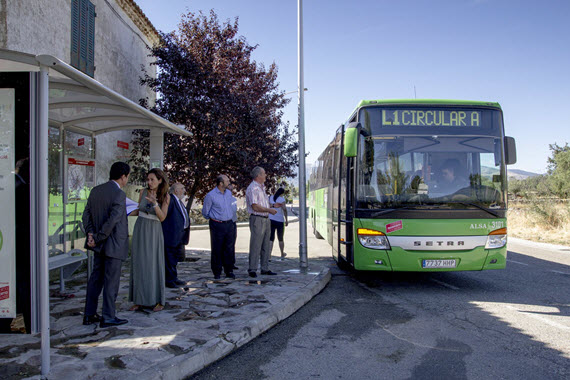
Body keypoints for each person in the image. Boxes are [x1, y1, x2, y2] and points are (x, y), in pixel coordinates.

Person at [82, 161, 130, 328]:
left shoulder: (96, 190)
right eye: (127, 177)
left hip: (97, 244)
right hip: (113, 244)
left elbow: (86, 215)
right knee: (111, 282)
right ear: (123, 176)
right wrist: (99, 236)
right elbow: (113, 220)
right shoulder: (119, 194)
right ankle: (108, 316)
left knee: (95, 279)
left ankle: (89, 314)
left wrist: (90, 234)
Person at [129, 168, 170, 312]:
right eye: (148, 179)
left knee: (153, 264)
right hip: (140, 228)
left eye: (152, 179)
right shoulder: (142, 192)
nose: (149, 182)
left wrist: (155, 203)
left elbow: (162, 217)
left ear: (160, 180)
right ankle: (139, 299)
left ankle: (158, 300)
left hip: (154, 230)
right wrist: (124, 212)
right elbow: (138, 210)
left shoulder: (165, 196)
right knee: (139, 263)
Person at [245, 166, 279, 278]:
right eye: (264, 173)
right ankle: (252, 269)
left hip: (265, 219)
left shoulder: (261, 188)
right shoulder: (253, 188)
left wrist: (273, 206)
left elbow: (263, 204)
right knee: (256, 244)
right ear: (258, 175)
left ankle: (265, 268)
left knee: (265, 244)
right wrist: (270, 210)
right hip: (257, 219)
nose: (265, 176)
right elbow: (255, 206)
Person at [202, 175, 236, 279]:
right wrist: (215, 219)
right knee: (217, 248)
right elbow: (205, 212)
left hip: (229, 223)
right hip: (217, 224)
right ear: (221, 184)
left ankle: (229, 270)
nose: (228, 182)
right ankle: (217, 271)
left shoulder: (229, 193)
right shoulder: (211, 195)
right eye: (226, 181)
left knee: (229, 248)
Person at [161, 182, 190, 288]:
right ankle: (169, 280)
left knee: (174, 259)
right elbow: (165, 216)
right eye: (182, 188)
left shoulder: (179, 201)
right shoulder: (171, 200)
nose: (184, 190)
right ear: (176, 190)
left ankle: (174, 277)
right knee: (169, 259)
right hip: (171, 235)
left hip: (179, 235)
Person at [268, 187, 288, 260]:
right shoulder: (282, 200)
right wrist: (286, 220)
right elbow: (285, 210)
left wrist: (273, 205)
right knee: (280, 238)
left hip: (271, 219)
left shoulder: (270, 197)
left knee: (271, 238)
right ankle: (282, 253)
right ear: (282, 193)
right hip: (280, 221)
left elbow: (268, 206)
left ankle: (269, 255)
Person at [227, 181, 239, 270]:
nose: (230, 191)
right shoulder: (223, 199)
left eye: (231, 190)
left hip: (233, 223)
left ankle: (231, 263)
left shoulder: (234, 200)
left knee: (232, 244)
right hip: (225, 222)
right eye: (229, 189)